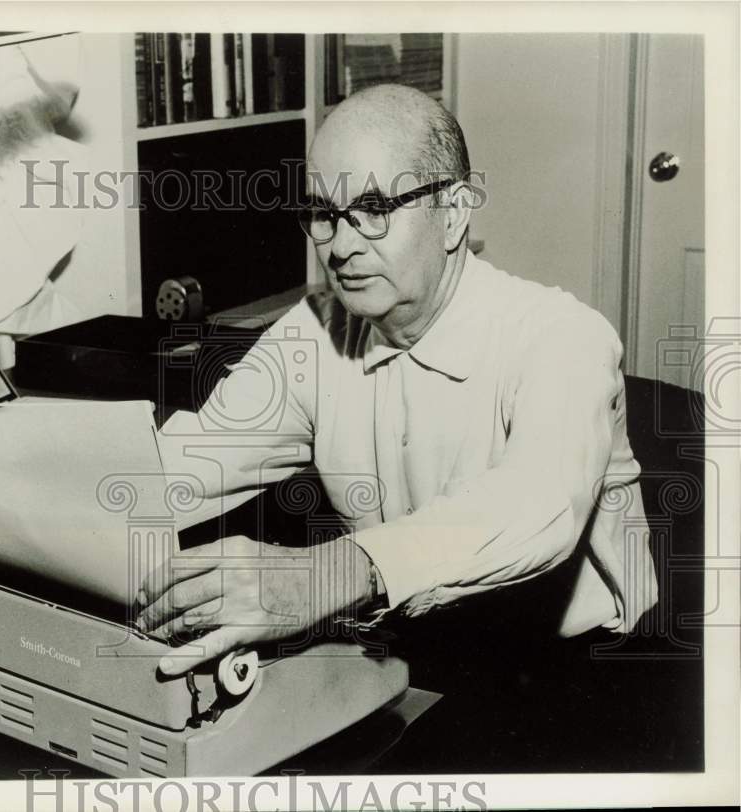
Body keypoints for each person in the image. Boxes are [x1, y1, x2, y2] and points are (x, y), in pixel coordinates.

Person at [138, 83, 657, 678]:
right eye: (323, 215)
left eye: (376, 210)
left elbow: (538, 504)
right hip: (410, 649)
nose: (342, 246)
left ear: (455, 212)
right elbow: (185, 465)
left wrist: (321, 577)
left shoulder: (563, 335)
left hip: (577, 672)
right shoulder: (314, 331)